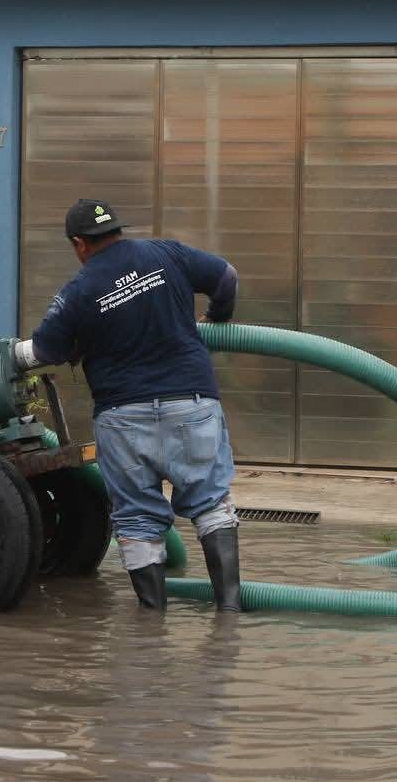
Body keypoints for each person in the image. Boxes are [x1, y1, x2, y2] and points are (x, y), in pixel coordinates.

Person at [30, 199, 242, 611]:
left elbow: (45, 349)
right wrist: (218, 318)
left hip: (123, 417)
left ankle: (152, 626)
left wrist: (82, 340)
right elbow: (227, 277)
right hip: (190, 405)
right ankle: (229, 616)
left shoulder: (77, 291)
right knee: (212, 506)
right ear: (117, 230)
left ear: (79, 244)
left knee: (137, 522)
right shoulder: (167, 253)